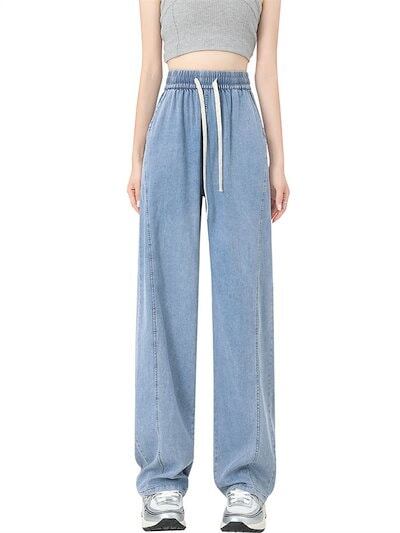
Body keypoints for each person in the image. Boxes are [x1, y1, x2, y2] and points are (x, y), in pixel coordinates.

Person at [128, 0, 289, 530]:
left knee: (244, 303)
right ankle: (162, 481)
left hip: (240, 117)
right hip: (172, 117)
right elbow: (150, 66)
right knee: (165, 300)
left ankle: (245, 481)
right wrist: (136, 156)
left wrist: (278, 161)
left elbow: (267, 70)